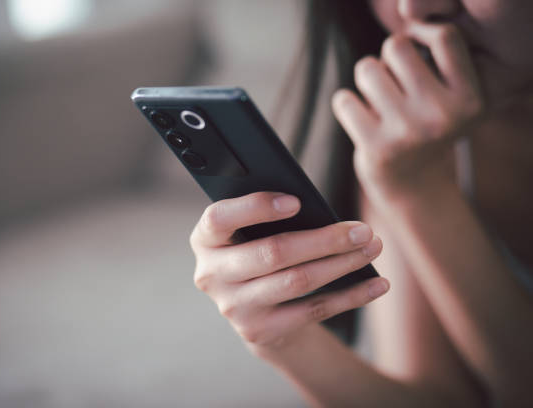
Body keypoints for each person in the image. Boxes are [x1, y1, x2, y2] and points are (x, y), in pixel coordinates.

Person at [189, 0, 533, 406]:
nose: (416, 9)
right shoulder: (417, 138)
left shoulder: (415, 161)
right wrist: (284, 341)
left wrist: (419, 191)